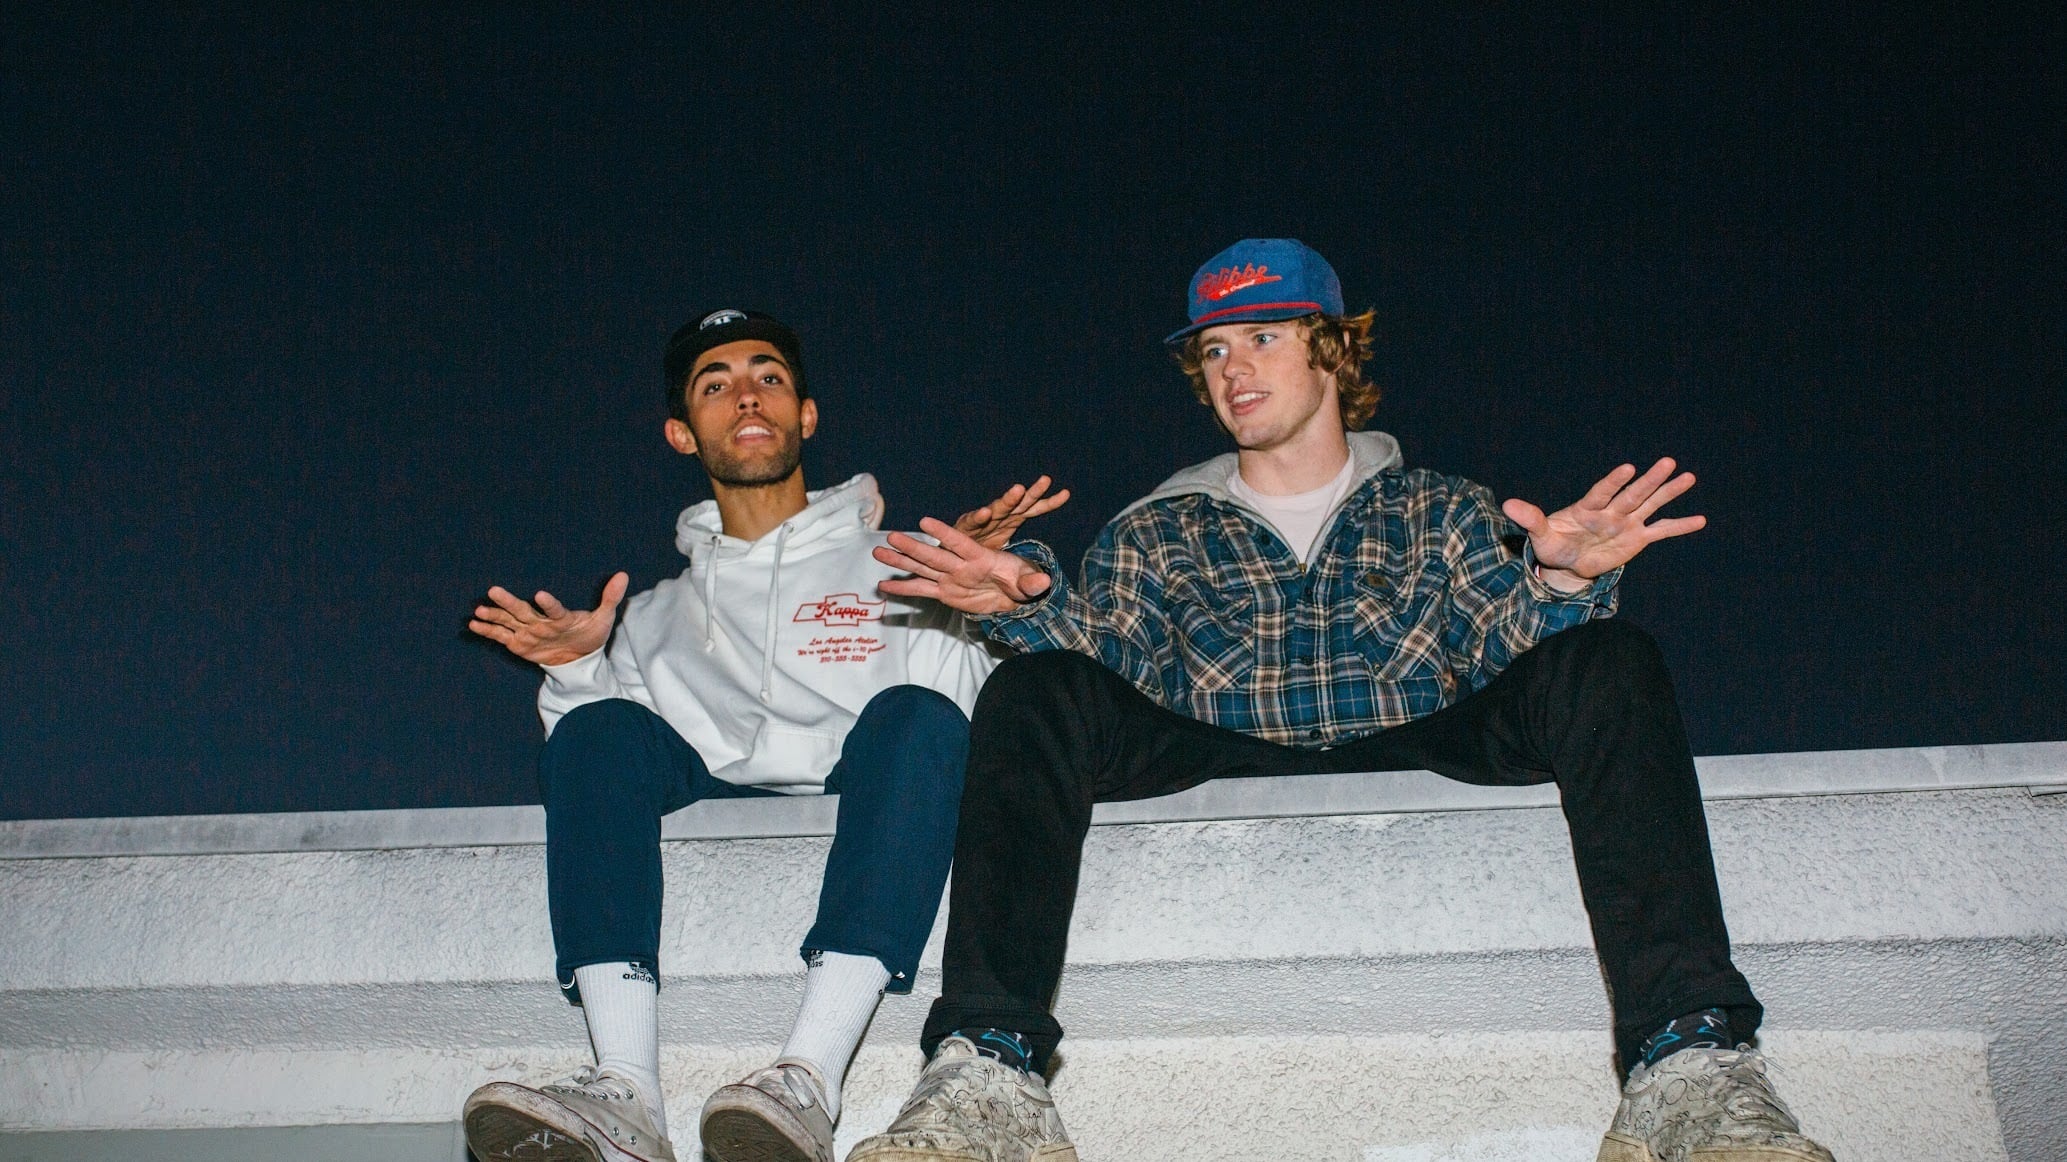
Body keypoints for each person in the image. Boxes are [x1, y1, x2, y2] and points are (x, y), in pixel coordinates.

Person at [857, 240, 1834, 1162]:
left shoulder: (1440, 506)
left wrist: (1560, 582)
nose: (1234, 368)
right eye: (1214, 349)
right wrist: (1030, 602)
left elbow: (1501, 640)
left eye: (1264, 337)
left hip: (1421, 732)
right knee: (1035, 686)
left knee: (1609, 655)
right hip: (1217, 738)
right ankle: (989, 1066)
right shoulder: (1160, 530)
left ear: (1332, 349)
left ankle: (1690, 1058)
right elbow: (1117, 658)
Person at [460, 308, 1060, 1162]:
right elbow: (591, 767)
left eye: (768, 375)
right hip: (706, 776)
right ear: (681, 431)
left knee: (917, 715)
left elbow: (966, 718)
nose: (745, 393)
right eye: (715, 383)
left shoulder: (909, 568)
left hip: (877, 778)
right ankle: (624, 1086)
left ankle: (809, 1077)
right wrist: (577, 672)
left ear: (805, 416)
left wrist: (986, 609)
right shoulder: (652, 616)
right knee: (594, 730)